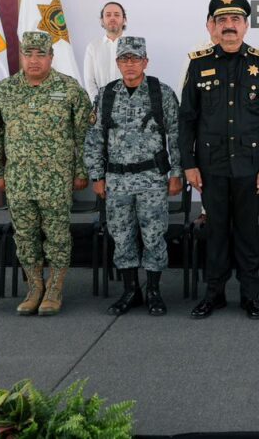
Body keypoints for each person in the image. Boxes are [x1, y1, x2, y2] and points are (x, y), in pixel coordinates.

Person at [180, 0, 259, 320]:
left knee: (247, 233)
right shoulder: (198, 63)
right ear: (212, 25)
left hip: (250, 166)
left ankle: (250, 296)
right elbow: (187, 119)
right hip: (211, 166)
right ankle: (214, 295)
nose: (229, 25)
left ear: (246, 25)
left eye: (235, 19)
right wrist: (188, 164)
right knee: (216, 232)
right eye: (222, 19)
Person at [0, 31, 92, 316]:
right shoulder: (4, 90)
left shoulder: (69, 88)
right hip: (19, 180)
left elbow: (85, 134)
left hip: (57, 180)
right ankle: (34, 287)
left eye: (41, 54)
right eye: (28, 54)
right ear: (21, 56)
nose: (34, 60)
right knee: (25, 236)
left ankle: (54, 289)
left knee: (57, 236)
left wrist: (82, 171)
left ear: (51, 57)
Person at [85, 36, 182, 316]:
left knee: (154, 235)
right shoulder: (105, 95)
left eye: (135, 59)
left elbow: (176, 136)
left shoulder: (161, 93)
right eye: (124, 59)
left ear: (145, 62)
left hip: (152, 179)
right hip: (117, 180)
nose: (130, 64)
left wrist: (176, 173)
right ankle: (130, 291)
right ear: (117, 63)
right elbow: (94, 138)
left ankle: (153, 291)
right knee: (121, 235)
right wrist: (97, 176)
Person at [84, 1, 128, 101]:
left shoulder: (135, 46)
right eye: (108, 15)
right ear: (102, 20)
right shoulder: (93, 47)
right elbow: (89, 81)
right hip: (102, 105)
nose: (112, 18)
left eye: (117, 15)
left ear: (124, 19)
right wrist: (97, 103)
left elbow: (141, 78)